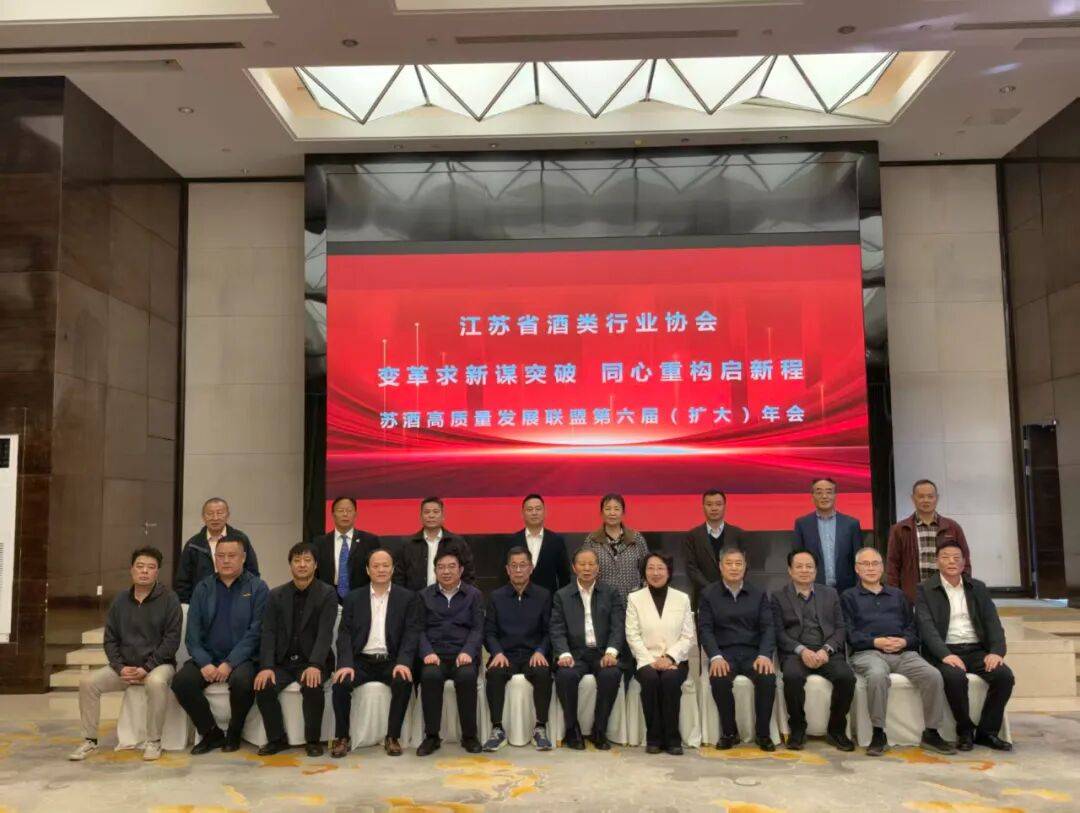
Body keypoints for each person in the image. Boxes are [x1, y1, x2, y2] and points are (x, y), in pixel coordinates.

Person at [69, 546, 182, 762]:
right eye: (140, 566)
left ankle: (154, 741)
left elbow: (171, 641)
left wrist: (147, 668)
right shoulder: (120, 600)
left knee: (156, 682)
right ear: (131, 570)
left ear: (157, 572)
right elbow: (110, 640)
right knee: (88, 683)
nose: (144, 571)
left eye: (150, 567)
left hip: (159, 666)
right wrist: (120, 667)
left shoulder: (170, 600)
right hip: (125, 668)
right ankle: (90, 740)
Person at [841, 546, 955, 757]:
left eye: (875, 563)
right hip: (868, 653)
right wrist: (876, 642)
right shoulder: (848, 597)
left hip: (903, 653)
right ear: (857, 569)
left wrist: (903, 641)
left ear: (882, 568)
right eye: (865, 564)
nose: (871, 568)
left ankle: (931, 732)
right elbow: (849, 634)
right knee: (877, 675)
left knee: (933, 675)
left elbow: (913, 629)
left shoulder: (898, 595)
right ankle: (878, 733)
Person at [171, 535, 269, 754]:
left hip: (243, 659)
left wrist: (230, 663)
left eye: (231, 556)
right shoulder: (203, 587)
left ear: (243, 558)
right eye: (220, 556)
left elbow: (256, 632)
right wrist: (204, 662)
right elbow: (192, 634)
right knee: (182, 682)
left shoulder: (257, 587)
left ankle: (235, 731)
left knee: (243, 682)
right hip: (208, 656)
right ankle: (210, 733)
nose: (225, 560)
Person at [915, 541, 1013, 751]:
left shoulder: (977, 587)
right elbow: (926, 627)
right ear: (937, 562)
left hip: (976, 649)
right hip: (945, 650)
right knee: (954, 678)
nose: (951, 561)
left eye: (956, 557)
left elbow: (992, 622)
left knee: (1004, 676)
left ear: (964, 562)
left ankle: (987, 732)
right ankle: (965, 730)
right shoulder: (925, 589)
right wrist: (945, 654)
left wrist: (996, 652)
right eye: (945, 557)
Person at [331, 549, 420, 758]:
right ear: (367, 570)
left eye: (385, 565)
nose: (381, 569)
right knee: (340, 683)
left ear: (393, 569)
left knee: (403, 681)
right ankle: (342, 737)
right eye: (376, 566)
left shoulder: (407, 598)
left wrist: (404, 662)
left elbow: (411, 633)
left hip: (391, 660)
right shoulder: (354, 598)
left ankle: (392, 737)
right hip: (361, 661)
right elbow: (344, 634)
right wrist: (345, 663)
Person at [254, 542, 338, 757]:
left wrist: (315, 664)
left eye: (307, 560)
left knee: (312, 684)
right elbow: (268, 632)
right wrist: (266, 666)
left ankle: (313, 740)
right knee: (263, 686)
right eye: (297, 560)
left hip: (312, 660)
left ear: (315, 565)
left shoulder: (327, 593)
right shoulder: (276, 595)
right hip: (282, 662)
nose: (302, 565)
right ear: (290, 565)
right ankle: (277, 739)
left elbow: (325, 634)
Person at [770, 549, 855, 751]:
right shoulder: (778, 597)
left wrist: (826, 650)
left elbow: (840, 628)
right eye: (799, 566)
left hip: (827, 651)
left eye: (809, 566)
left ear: (816, 571)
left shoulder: (830, 594)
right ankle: (797, 729)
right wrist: (802, 650)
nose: (804, 570)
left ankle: (836, 730)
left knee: (846, 677)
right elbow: (778, 632)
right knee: (791, 677)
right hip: (796, 652)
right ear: (790, 570)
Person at [697, 546, 777, 751]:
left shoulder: (758, 594)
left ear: (745, 566)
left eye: (738, 563)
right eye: (729, 563)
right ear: (720, 566)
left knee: (767, 678)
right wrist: (715, 656)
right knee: (719, 679)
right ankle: (729, 732)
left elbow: (768, 627)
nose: (734, 568)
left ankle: (763, 734)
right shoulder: (708, 594)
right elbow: (705, 629)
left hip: (753, 653)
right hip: (724, 653)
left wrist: (764, 655)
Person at [550, 547, 625, 751]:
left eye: (591, 564)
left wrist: (611, 652)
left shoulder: (611, 593)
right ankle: (572, 729)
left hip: (602, 653)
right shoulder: (562, 595)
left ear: (598, 568)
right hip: (575, 654)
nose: (586, 568)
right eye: (582, 564)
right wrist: (564, 654)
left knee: (611, 674)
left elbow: (618, 626)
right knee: (565, 675)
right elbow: (556, 629)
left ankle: (599, 729)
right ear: (574, 567)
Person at [482, 547, 554, 752]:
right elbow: (489, 632)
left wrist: (541, 650)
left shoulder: (543, 595)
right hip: (506, 655)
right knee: (494, 673)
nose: (519, 570)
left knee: (543, 672)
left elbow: (549, 631)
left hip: (533, 654)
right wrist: (497, 652)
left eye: (523, 565)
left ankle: (540, 727)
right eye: (514, 566)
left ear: (531, 568)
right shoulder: (496, 596)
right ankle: (497, 729)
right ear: (507, 569)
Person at [625, 553, 695, 755]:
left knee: (670, 680)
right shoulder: (635, 598)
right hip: (645, 660)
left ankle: (672, 739)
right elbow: (632, 634)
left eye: (660, 568)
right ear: (644, 572)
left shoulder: (682, 598)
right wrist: (651, 661)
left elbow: (688, 636)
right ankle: (654, 738)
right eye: (650, 568)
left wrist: (670, 658)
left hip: (675, 660)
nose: (655, 573)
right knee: (651, 679)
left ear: (669, 571)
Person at [416, 550, 484, 756]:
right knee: (429, 676)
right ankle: (432, 736)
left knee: (467, 676)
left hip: (462, 655)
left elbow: (478, 629)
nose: (446, 571)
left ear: (461, 570)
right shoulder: (424, 595)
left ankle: (469, 736)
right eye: (441, 567)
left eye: (451, 567)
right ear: (435, 571)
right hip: (435, 655)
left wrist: (468, 651)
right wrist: (427, 652)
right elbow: (418, 629)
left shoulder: (474, 595)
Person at [888, 480, 973, 604]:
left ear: (937, 498)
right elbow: (892, 566)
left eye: (930, 496)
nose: (926, 500)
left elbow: (965, 562)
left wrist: (963, 588)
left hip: (947, 594)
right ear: (913, 499)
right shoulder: (900, 529)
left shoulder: (952, 527)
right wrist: (894, 597)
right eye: (921, 496)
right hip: (914, 597)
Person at [175, 497, 259, 603]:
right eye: (210, 514)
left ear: (227, 515)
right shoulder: (193, 544)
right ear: (203, 517)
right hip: (203, 602)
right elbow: (183, 581)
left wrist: (247, 597)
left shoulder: (240, 539)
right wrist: (187, 604)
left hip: (237, 599)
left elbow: (253, 572)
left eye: (219, 513)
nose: (215, 518)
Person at [793, 478, 861, 593]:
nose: (824, 496)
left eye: (829, 492)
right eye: (819, 492)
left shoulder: (851, 524)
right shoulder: (802, 524)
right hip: (813, 590)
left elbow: (858, 559)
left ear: (835, 495)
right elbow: (797, 559)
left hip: (847, 590)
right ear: (812, 496)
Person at [394, 497, 475, 592]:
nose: (431, 515)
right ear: (421, 517)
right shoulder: (408, 545)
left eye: (436, 512)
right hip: (415, 598)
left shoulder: (457, 542)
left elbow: (468, 574)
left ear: (443, 516)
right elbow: (398, 577)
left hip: (449, 598)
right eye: (427, 512)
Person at [684, 489, 749, 608]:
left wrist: (728, 586)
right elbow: (691, 568)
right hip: (703, 596)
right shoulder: (692, 536)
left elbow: (745, 564)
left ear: (725, 506)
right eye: (709, 504)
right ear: (703, 507)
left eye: (718, 504)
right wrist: (711, 589)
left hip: (733, 594)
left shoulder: (738, 534)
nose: (714, 508)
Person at [579, 493, 649, 601]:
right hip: (601, 601)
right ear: (601, 513)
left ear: (623, 512)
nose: (612, 513)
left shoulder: (636, 539)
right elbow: (585, 571)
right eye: (608, 509)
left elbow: (646, 569)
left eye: (616, 509)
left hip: (633, 600)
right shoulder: (592, 540)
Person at [313, 496, 381, 602]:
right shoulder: (320, 542)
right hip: (327, 597)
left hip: (361, 597)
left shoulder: (369, 540)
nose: (345, 514)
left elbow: (376, 570)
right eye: (340, 510)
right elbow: (315, 573)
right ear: (333, 515)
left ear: (355, 514)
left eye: (349, 510)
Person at [504, 494, 571, 595]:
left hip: (549, 600)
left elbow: (564, 576)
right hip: (518, 599)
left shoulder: (556, 541)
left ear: (545, 512)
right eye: (529, 509)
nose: (534, 513)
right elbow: (504, 575)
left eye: (538, 509)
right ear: (522, 513)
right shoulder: (512, 541)